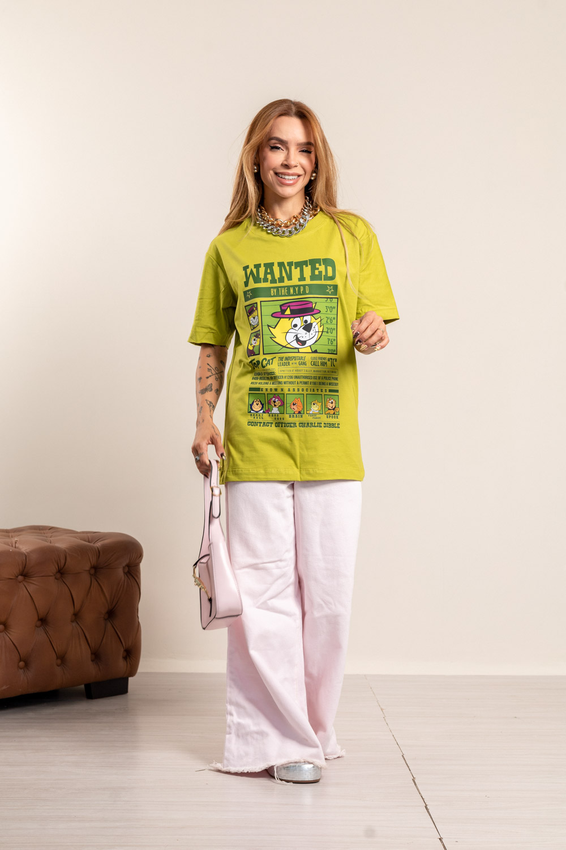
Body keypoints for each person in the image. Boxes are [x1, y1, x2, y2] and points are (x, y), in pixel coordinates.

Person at [188, 98, 399, 784]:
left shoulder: (350, 234)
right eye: (277, 146)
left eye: (304, 149)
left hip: (331, 440)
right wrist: (203, 418)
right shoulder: (229, 247)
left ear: (317, 161)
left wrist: (373, 331)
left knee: (329, 598)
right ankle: (280, 742)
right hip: (254, 439)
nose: (290, 160)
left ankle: (313, 727)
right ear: (257, 156)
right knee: (263, 594)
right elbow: (213, 344)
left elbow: (373, 321)